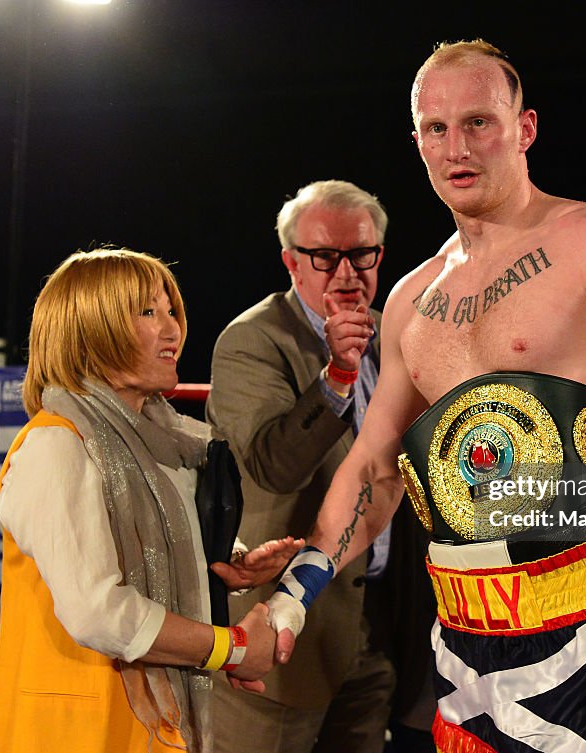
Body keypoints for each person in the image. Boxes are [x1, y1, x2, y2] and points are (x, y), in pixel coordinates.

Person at [264, 39, 586, 753]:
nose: (456, 147)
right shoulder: (411, 300)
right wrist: (291, 596)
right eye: (436, 128)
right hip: (464, 647)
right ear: (418, 142)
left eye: (478, 122)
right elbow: (374, 468)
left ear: (523, 128)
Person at [0, 247, 303, 753]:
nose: (173, 329)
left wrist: (229, 561)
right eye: (147, 312)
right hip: (77, 733)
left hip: (151, 728)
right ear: (90, 328)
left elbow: (159, 546)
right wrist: (232, 649)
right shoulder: (57, 445)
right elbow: (97, 611)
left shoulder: (161, 444)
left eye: (171, 310)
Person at [206, 179, 436, 753]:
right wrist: (335, 376)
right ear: (291, 262)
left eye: (362, 254)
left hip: (380, 623)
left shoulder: (399, 335)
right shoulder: (251, 341)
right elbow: (271, 467)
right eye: (324, 256)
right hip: (279, 636)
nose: (346, 272)